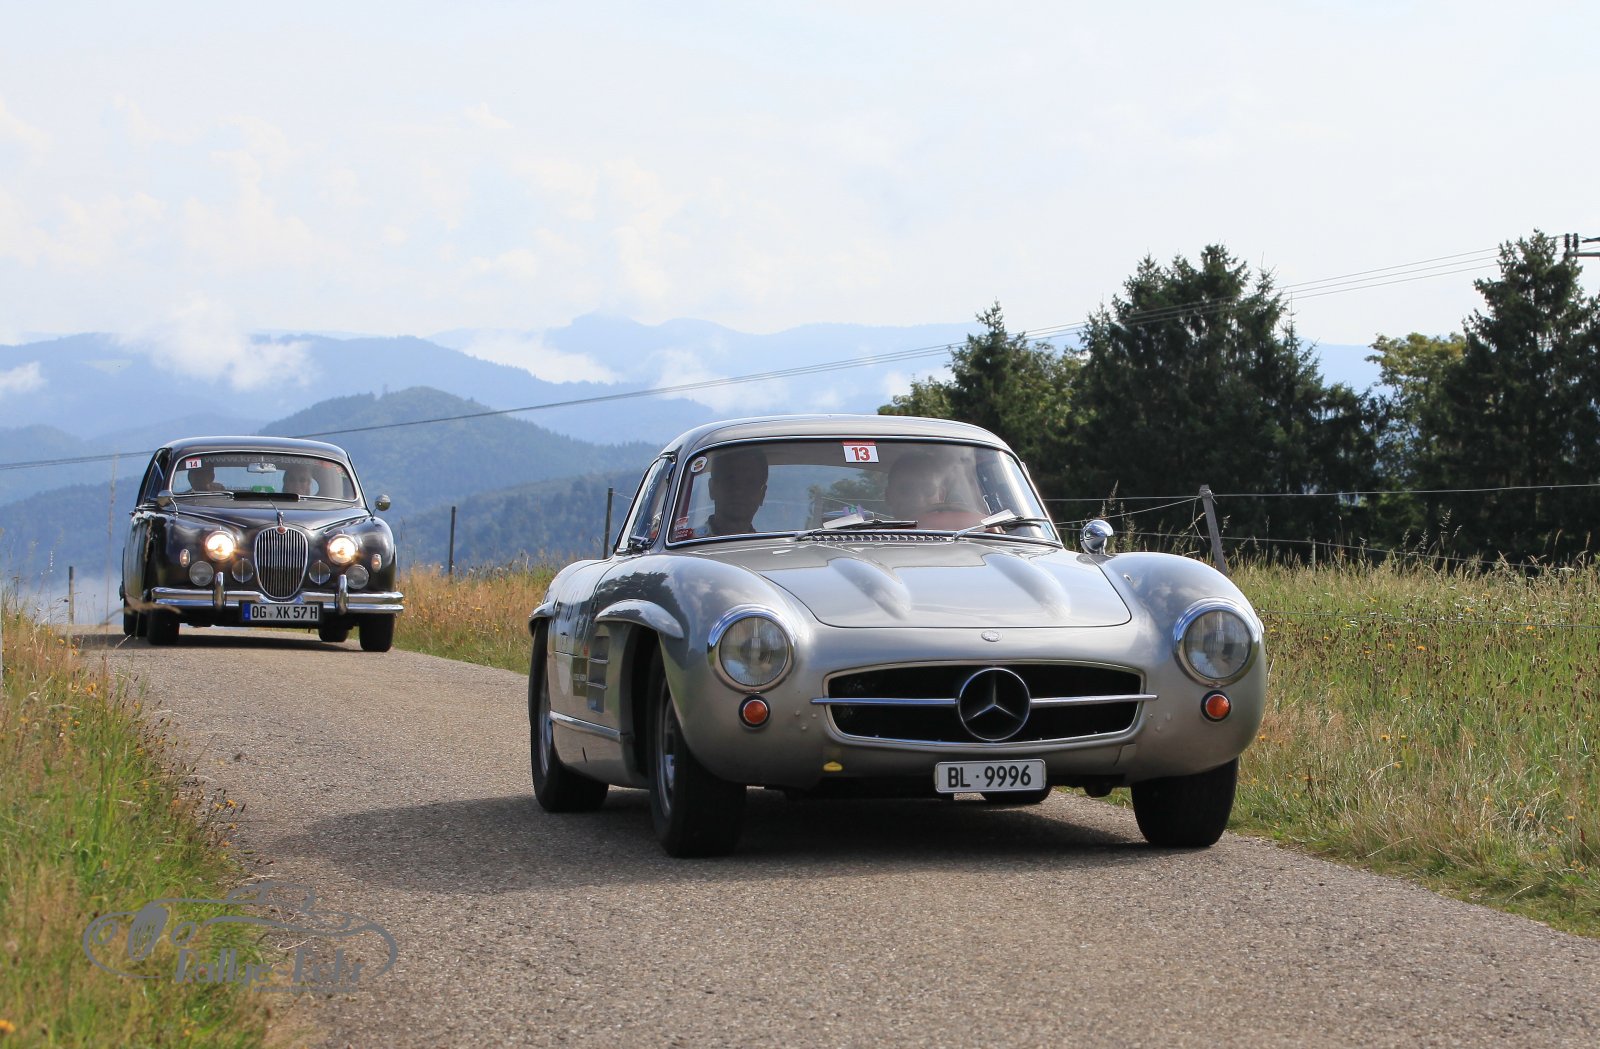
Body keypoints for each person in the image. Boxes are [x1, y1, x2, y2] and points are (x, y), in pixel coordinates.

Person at [704, 448, 768, 535]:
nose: (739, 491)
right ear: (712, 488)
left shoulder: (776, 542)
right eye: (730, 480)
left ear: (762, 495)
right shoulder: (691, 541)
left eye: (749, 483)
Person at [884, 452, 946, 520]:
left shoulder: (954, 526)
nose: (918, 501)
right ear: (888, 496)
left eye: (928, 489)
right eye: (906, 489)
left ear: (941, 496)